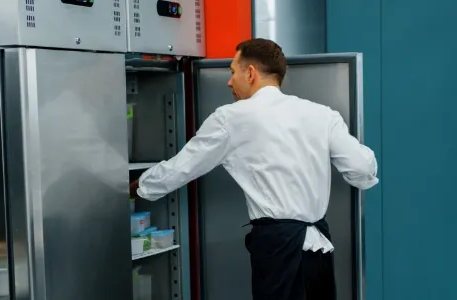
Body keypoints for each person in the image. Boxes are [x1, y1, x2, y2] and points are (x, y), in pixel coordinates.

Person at [129, 38, 378, 300]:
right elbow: (362, 167)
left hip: (278, 251)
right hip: (318, 250)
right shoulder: (322, 114)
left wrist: (137, 187)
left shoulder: (231, 118)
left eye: (233, 72)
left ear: (250, 73)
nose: (229, 81)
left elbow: (181, 168)